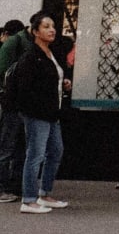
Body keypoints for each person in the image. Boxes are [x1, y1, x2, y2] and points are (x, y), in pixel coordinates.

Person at [7, 12, 71, 214]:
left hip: (52, 113)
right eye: (45, 26)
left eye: (52, 26)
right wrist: (37, 108)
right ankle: (28, 199)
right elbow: (26, 88)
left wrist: (63, 84)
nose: (51, 29)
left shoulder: (50, 54)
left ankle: (45, 193)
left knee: (56, 152)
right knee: (35, 155)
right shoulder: (31, 56)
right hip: (38, 114)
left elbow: (50, 79)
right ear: (35, 31)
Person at [0, 18, 32, 203]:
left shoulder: (24, 42)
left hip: (22, 103)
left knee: (18, 145)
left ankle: (14, 185)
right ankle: (4, 186)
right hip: (13, 102)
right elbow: (3, 68)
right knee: (9, 145)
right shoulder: (16, 41)